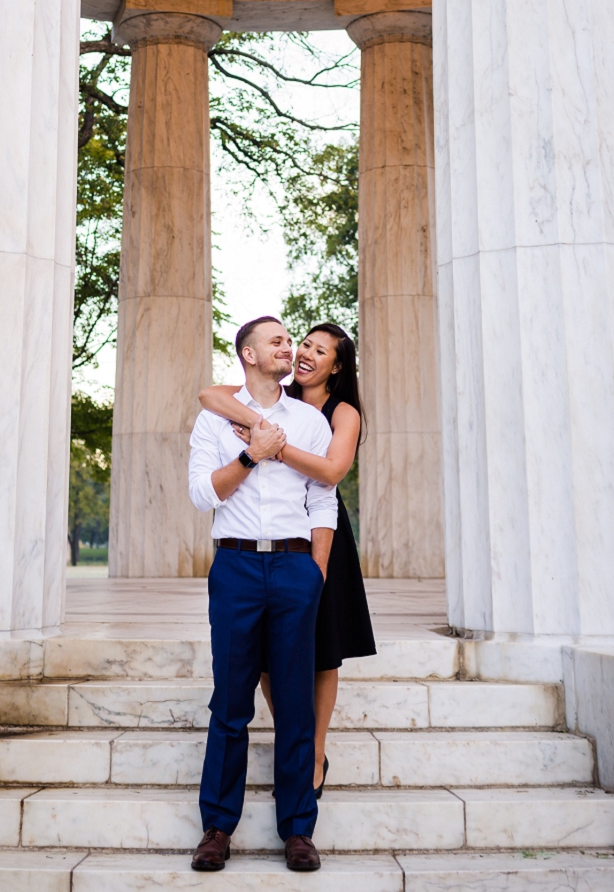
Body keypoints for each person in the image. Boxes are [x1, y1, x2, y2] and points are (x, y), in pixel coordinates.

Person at [198, 322, 375, 797]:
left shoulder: (338, 413)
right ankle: (294, 749)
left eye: (321, 351)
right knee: (265, 664)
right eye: (304, 345)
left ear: (336, 367)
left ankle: (312, 756)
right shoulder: (276, 400)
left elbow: (332, 474)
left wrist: (274, 448)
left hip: (318, 540)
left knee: (323, 649)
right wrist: (261, 431)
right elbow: (211, 396)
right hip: (254, 551)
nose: (304, 353)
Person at [188, 315, 338, 874]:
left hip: (296, 570)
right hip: (236, 567)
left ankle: (298, 830)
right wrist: (252, 453)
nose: (288, 347)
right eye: (276, 341)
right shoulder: (213, 421)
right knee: (230, 704)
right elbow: (203, 495)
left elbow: (323, 500)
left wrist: (316, 574)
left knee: (295, 705)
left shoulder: (309, 420)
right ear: (249, 355)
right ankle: (217, 828)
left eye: (288, 340)